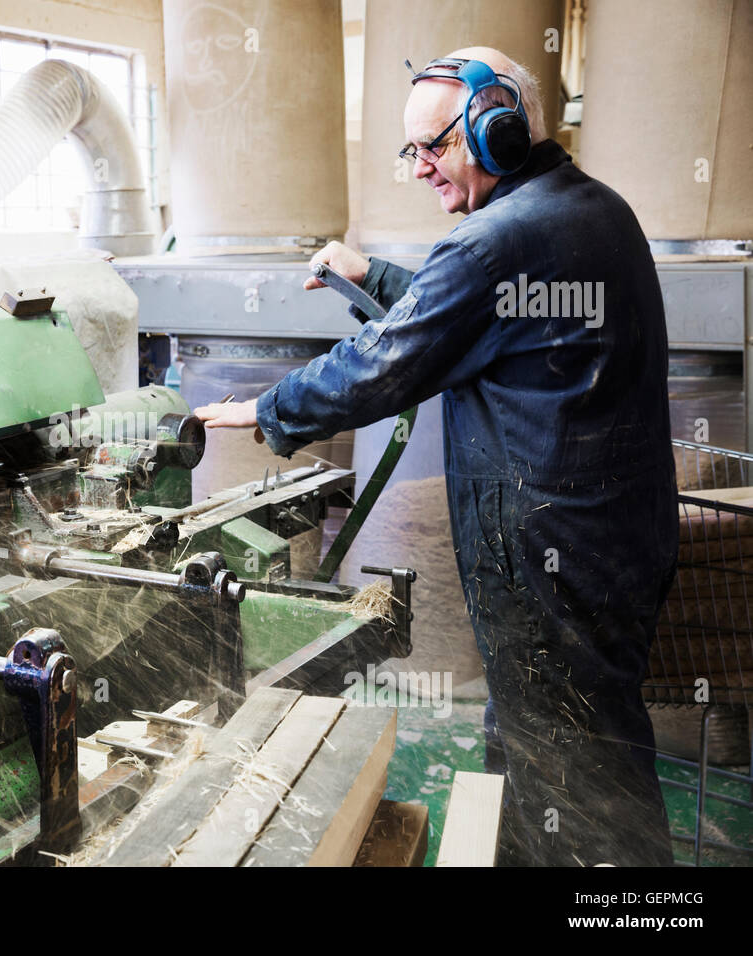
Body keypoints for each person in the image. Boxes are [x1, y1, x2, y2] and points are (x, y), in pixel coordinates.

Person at [195, 46, 677, 866]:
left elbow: (392, 359)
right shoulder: (589, 208)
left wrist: (265, 407)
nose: (418, 168)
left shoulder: (498, 240)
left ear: (498, 128)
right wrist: (371, 272)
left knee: (583, 783)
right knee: (555, 740)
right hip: (610, 541)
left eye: (433, 146)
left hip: (548, 557)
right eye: (410, 149)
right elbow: (475, 313)